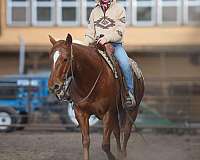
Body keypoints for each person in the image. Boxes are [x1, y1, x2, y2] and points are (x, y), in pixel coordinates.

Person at [84, 0, 136, 107]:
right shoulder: (94, 11)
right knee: (81, 62)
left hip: (115, 45)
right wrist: (84, 46)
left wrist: (106, 38)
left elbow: (119, 32)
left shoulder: (119, 9)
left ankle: (129, 94)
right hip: (96, 45)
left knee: (125, 64)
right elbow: (90, 33)